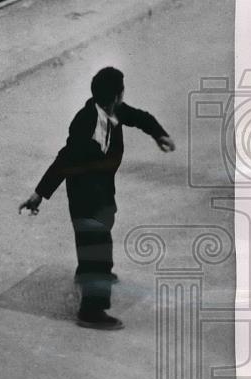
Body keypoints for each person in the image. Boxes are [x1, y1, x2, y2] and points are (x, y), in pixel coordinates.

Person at [19, 67, 176, 330]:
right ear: (116, 96)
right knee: (97, 247)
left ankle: (89, 273)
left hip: (102, 192)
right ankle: (91, 311)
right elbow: (64, 160)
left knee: (98, 239)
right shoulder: (85, 122)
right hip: (84, 197)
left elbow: (142, 118)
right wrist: (39, 195)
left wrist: (159, 134)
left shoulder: (113, 110)